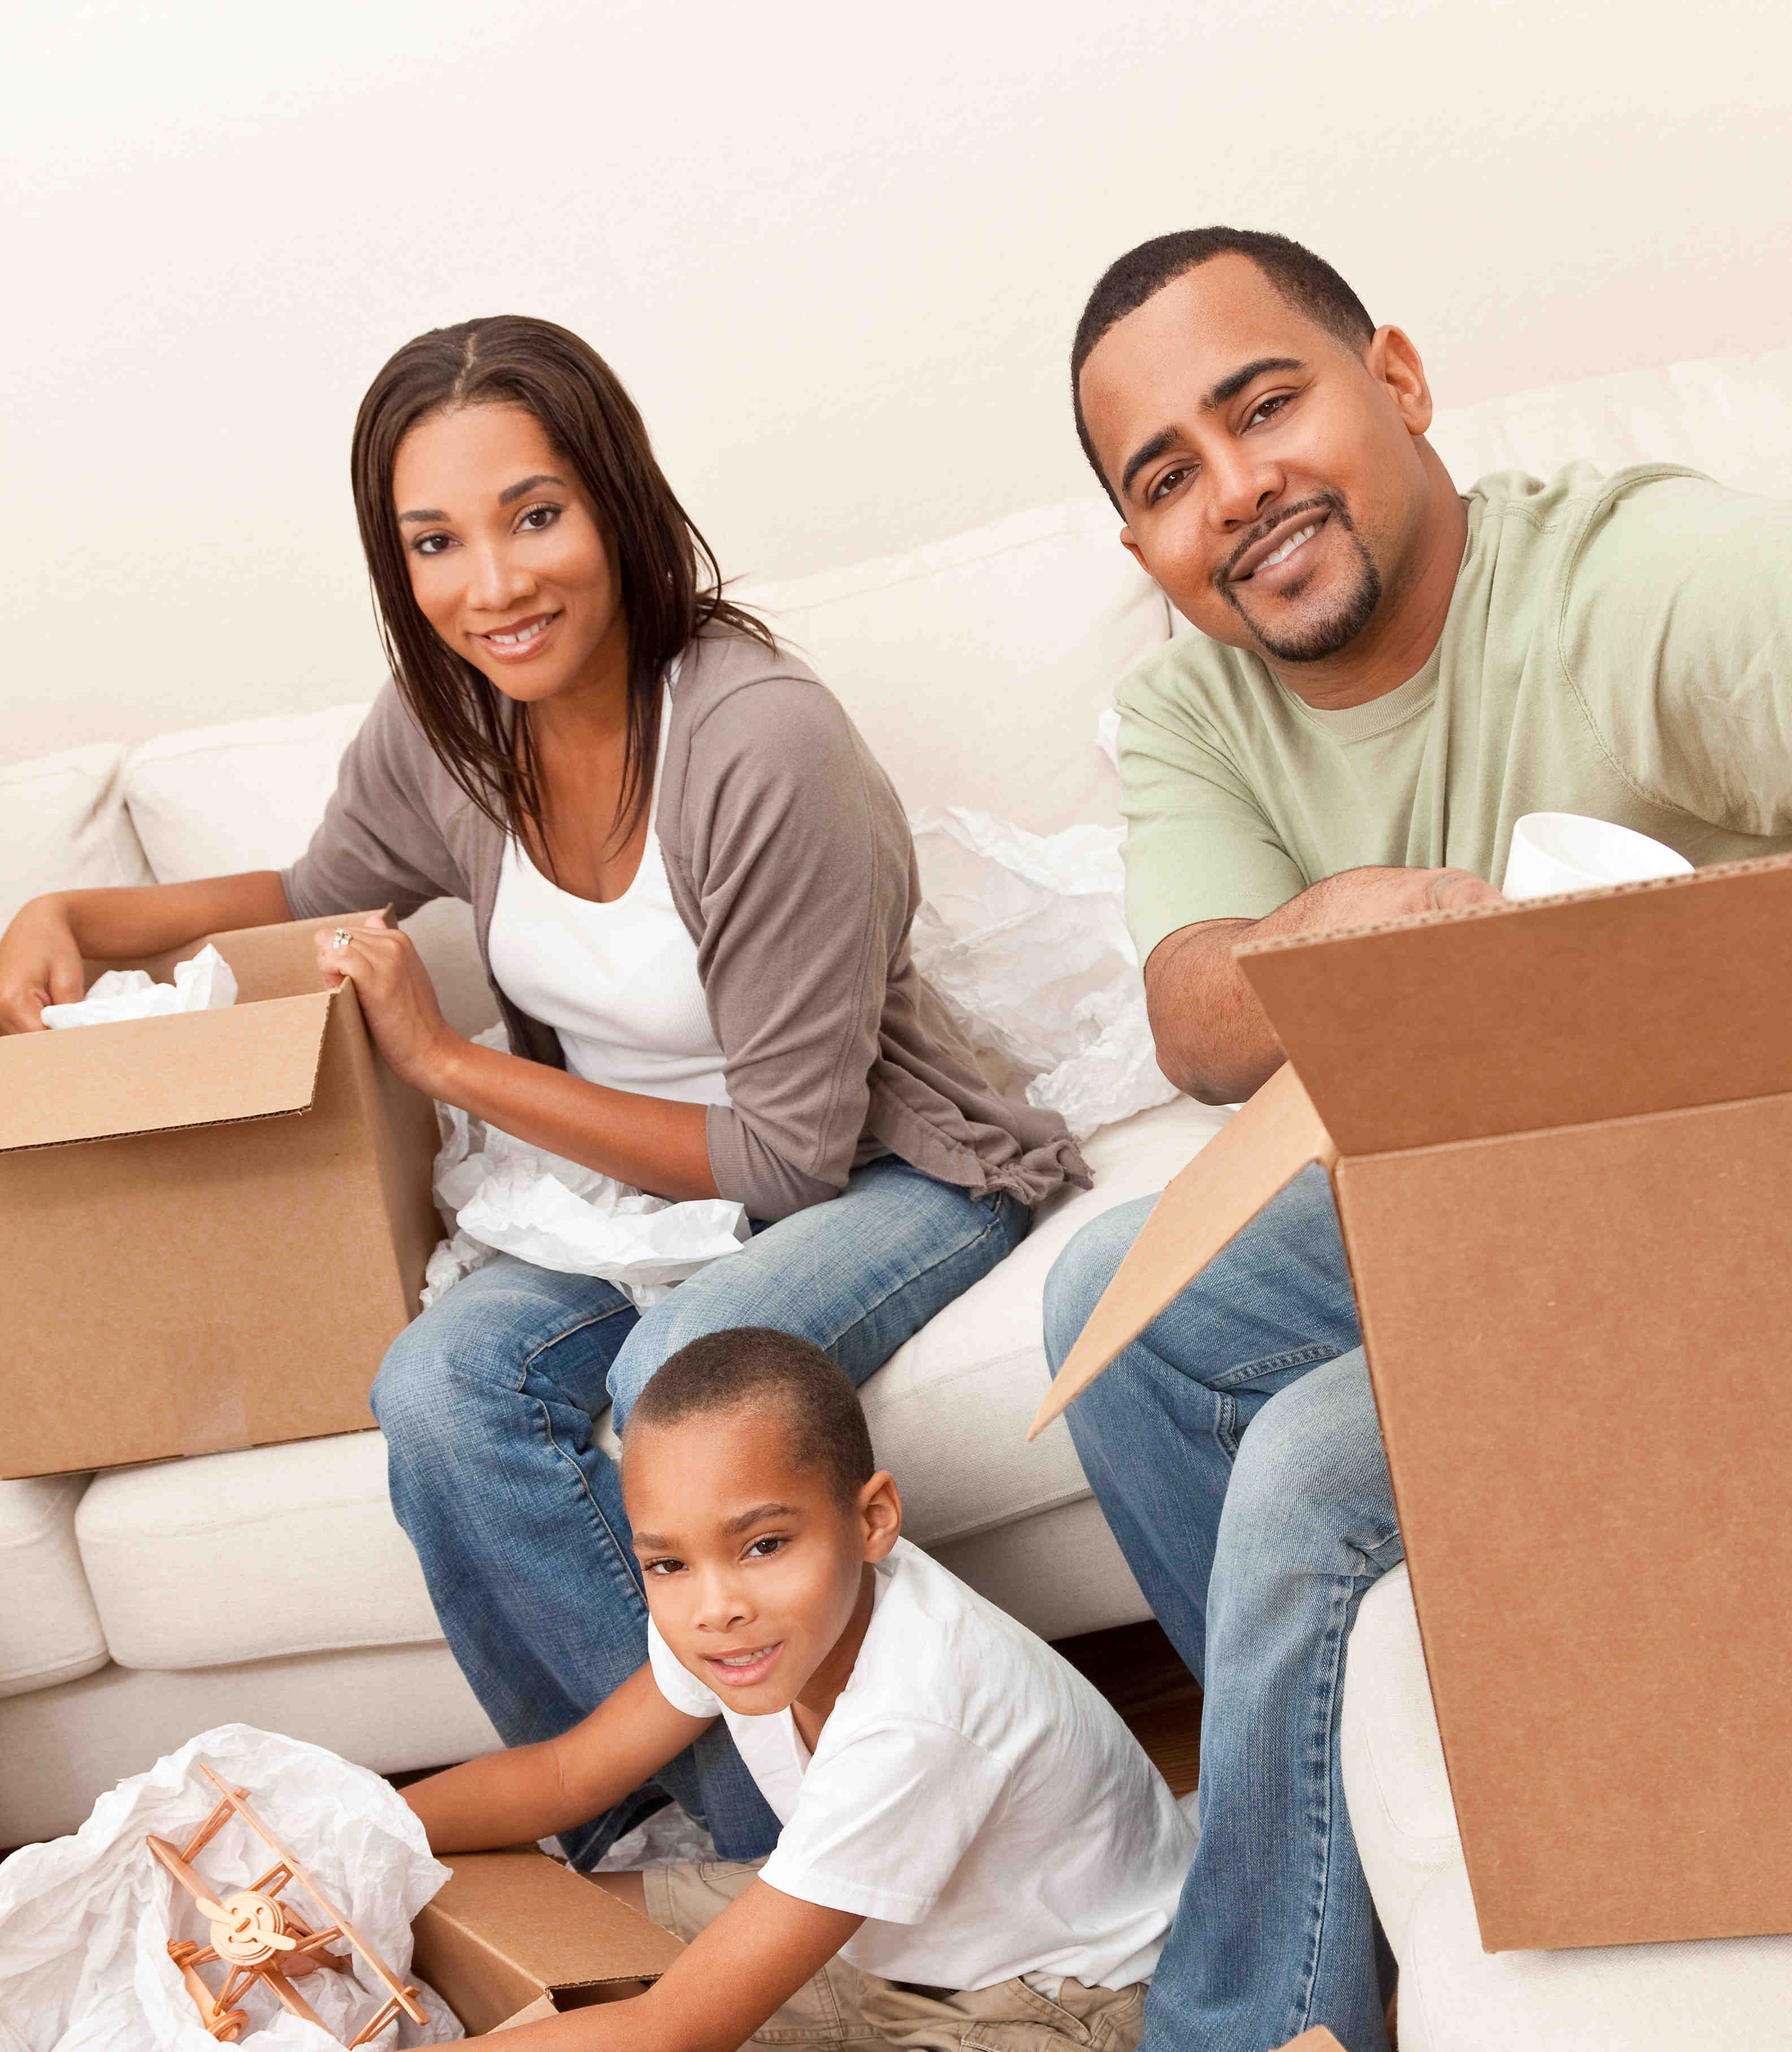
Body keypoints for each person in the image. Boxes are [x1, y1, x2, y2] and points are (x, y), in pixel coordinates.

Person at [1043, 224, 1792, 2052]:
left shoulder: (1634, 580)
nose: (1235, 489)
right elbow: (1196, 1012)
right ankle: (1359, 1815)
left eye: (1261, 404)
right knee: (1110, 1307)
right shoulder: (1202, 700)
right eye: (1163, 475)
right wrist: (1341, 928)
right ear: (1142, 554)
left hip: (1783, 1229)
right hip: (1512, 1229)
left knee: (1302, 1474)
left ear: (1401, 381)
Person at [0, 315, 1084, 1873]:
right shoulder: (449, 730)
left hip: (875, 1168)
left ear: (615, 502)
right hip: (624, 1197)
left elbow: (785, 1157)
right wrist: (92, 920)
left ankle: (822, 1880)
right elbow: (319, 887)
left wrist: (448, 1068)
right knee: (435, 1393)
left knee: (681, 1378)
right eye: (434, 543)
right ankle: (680, 1866)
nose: (491, 586)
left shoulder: (755, 738)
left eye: (531, 516)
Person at [202, 1328, 1196, 2052]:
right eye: (667, 1563)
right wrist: (335, 1841)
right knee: (527, 1937)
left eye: (762, 1544)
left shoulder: (919, 1712)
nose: (713, 1605)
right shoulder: (734, 1625)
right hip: (873, 1939)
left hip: (1040, 2004)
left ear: (872, 1519)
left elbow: (663, 2041)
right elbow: (564, 1778)